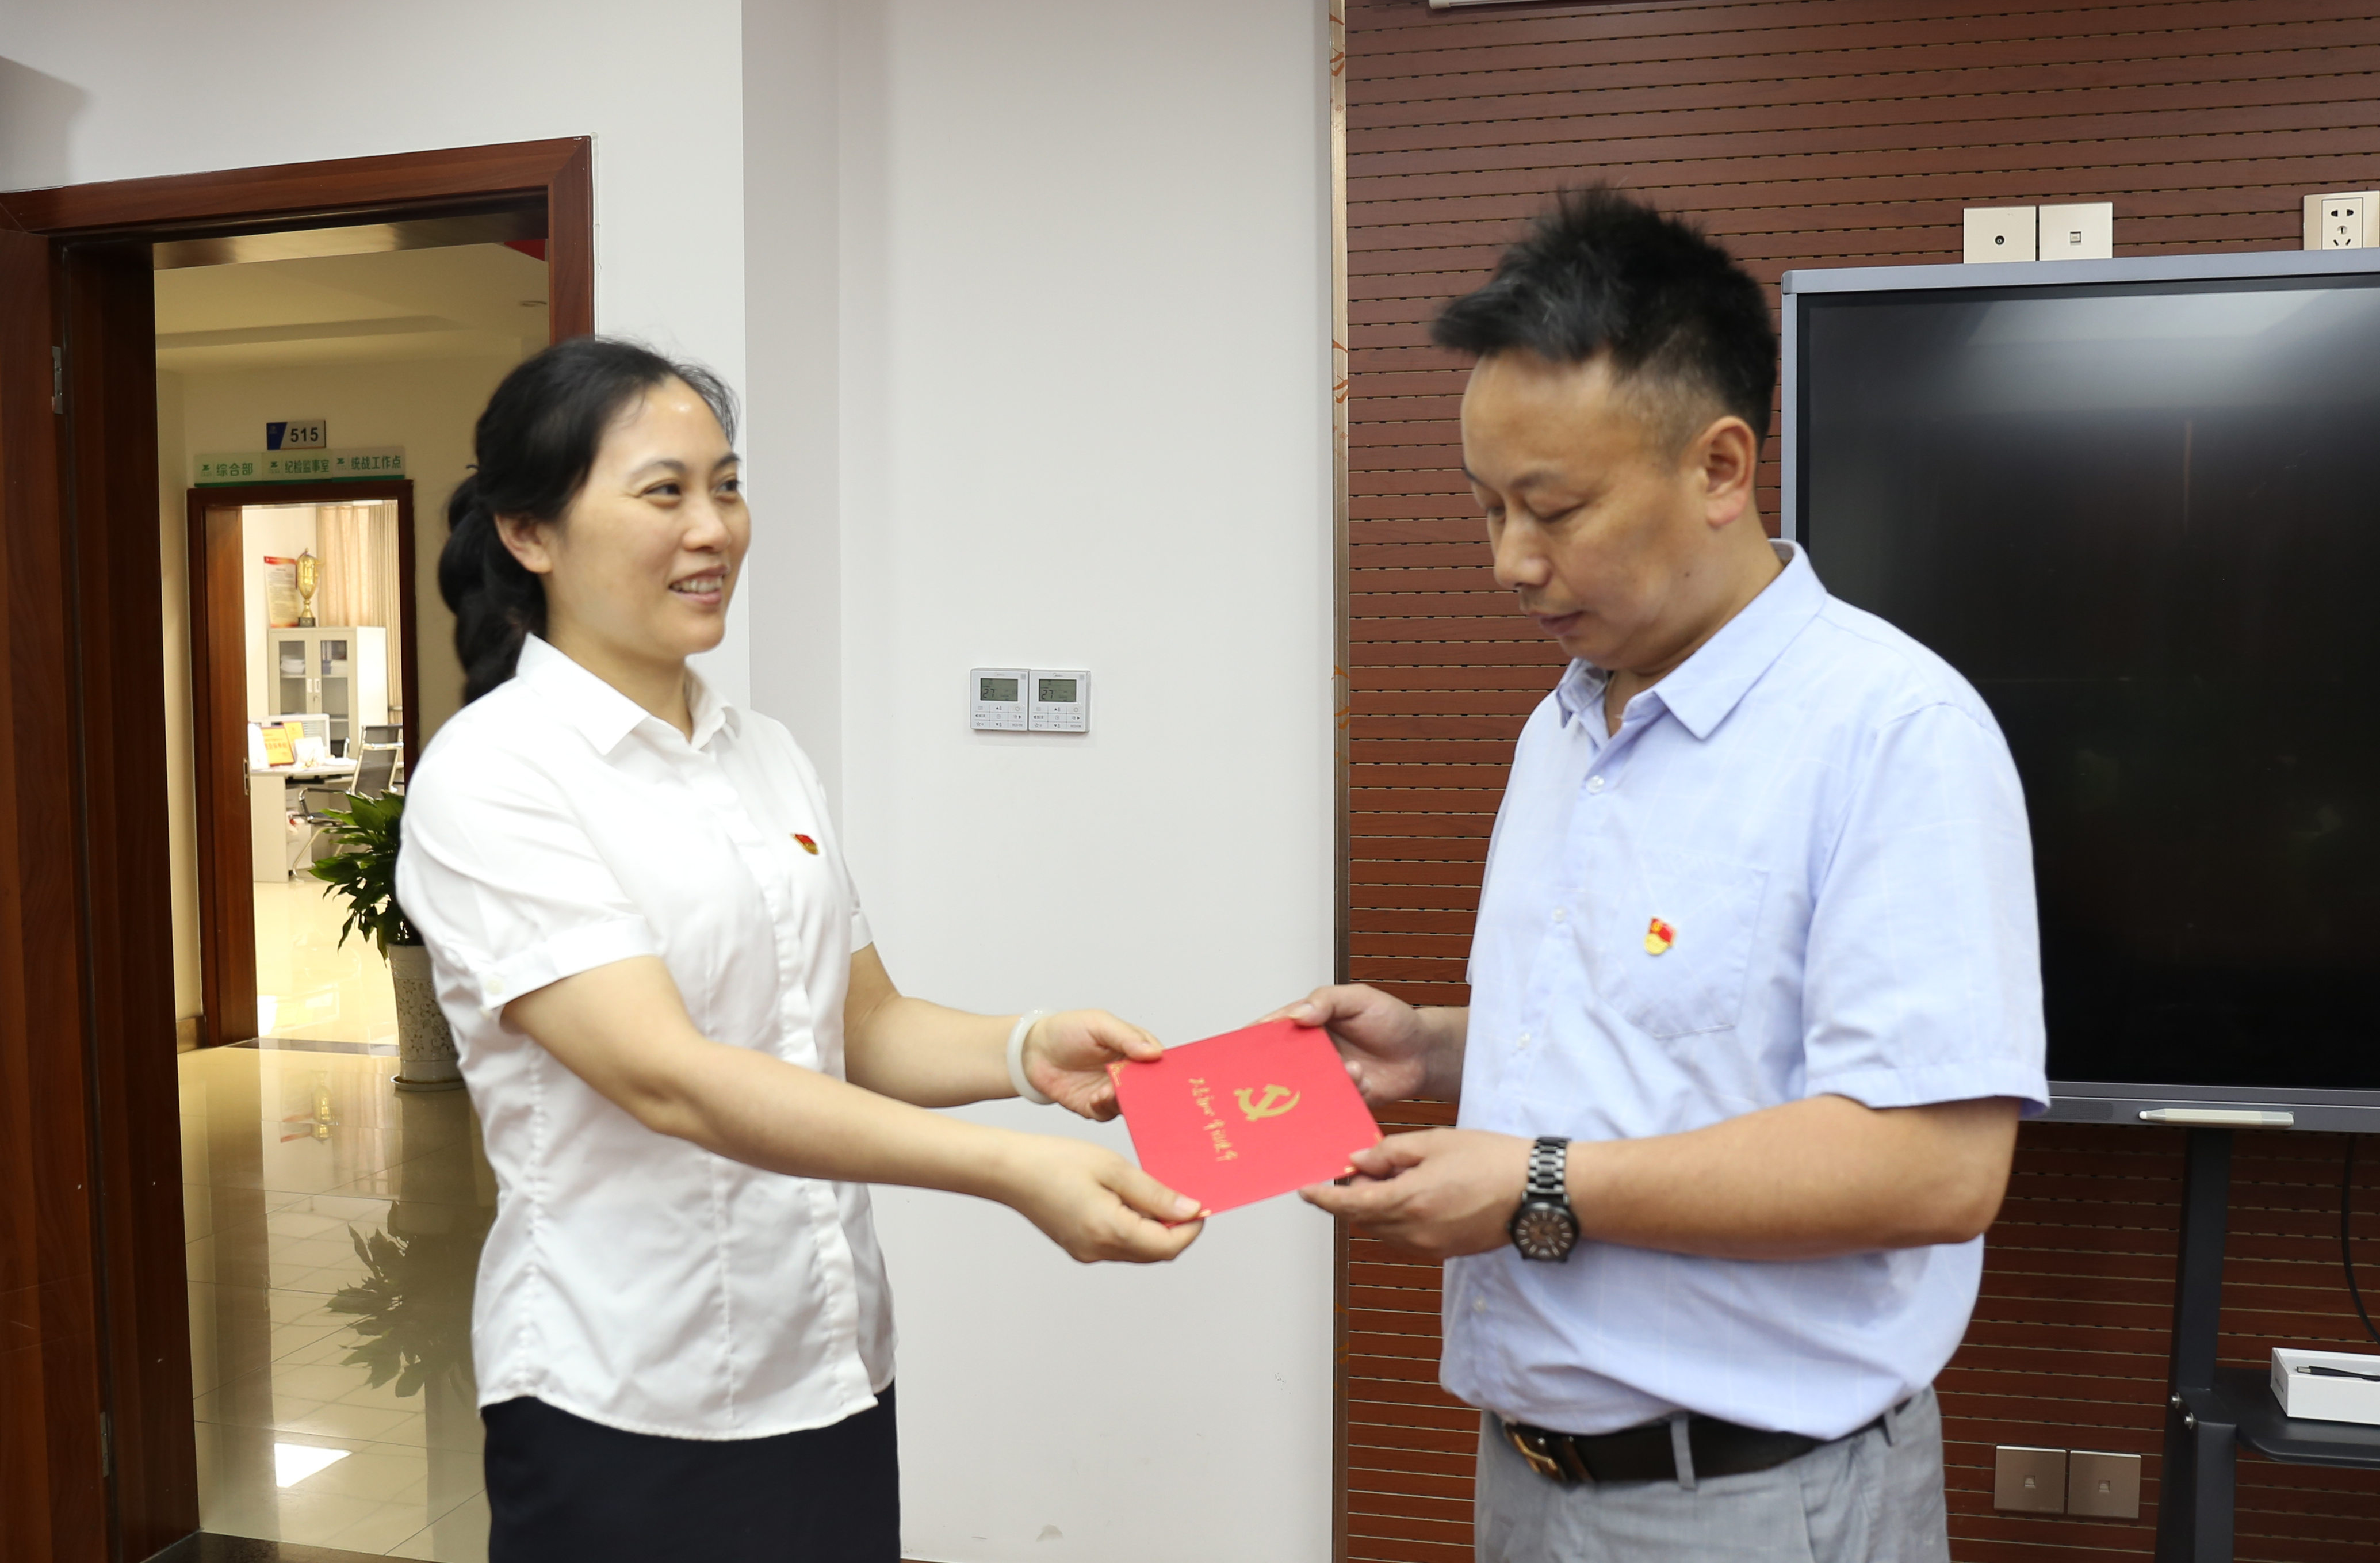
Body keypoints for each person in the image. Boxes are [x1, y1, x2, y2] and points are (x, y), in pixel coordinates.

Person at [1291, 188, 2048, 1561]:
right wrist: (1438, 1044)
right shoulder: (1567, 721)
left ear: (1718, 467)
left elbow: (1933, 1164)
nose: (1510, 563)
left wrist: (1532, 1182)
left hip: (1756, 1499)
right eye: (1485, 509)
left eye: (1553, 509)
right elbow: (1677, 1029)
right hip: (1530, 1474)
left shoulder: (1890, 732)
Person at [392, 337, 1202, 1563]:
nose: (712, 528)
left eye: (726, 485)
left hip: (827, 1365)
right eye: (664, 492)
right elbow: (671, 1076)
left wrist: (1028, 1048)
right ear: (529, 532)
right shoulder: (493, 778)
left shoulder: (761, 750)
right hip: (627, 1395)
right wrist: (1010, 1169)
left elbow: (856, 1023)